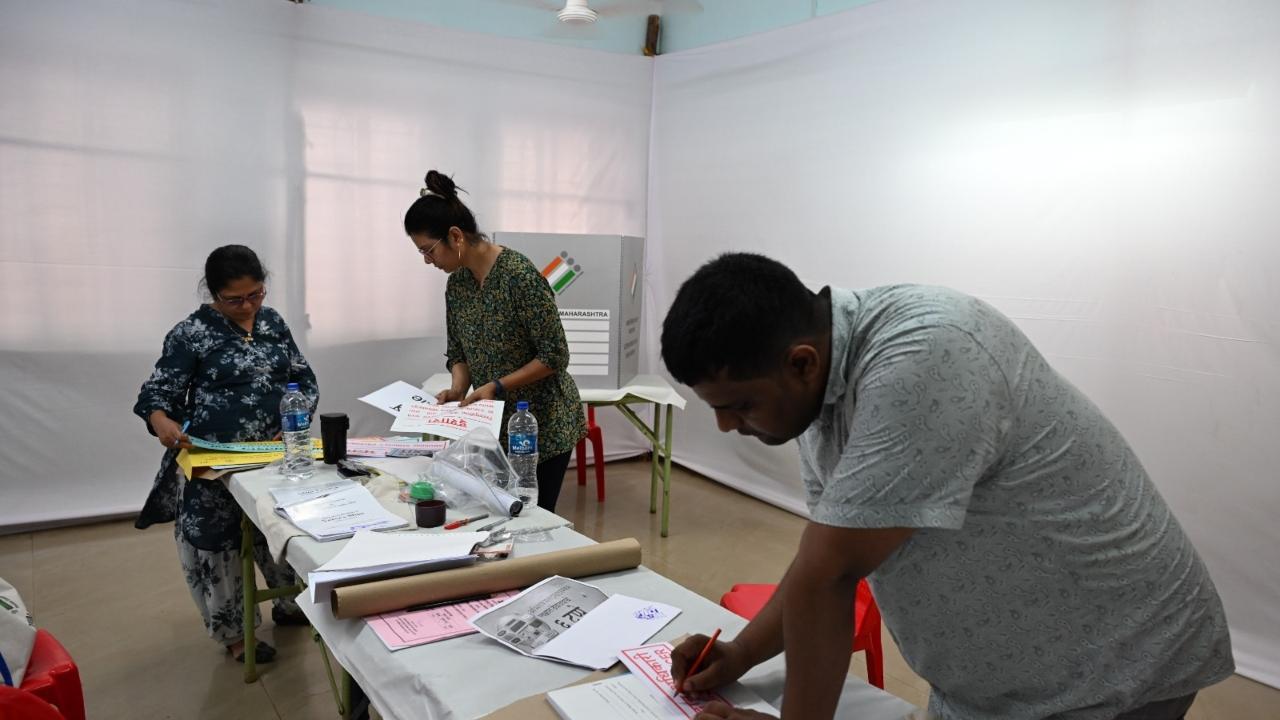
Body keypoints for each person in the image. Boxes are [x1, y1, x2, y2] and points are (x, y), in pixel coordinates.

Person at [661, 253, 1233, 720]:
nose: (727, 426)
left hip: (1108, 667)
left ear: (802, 363)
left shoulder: (925, 355)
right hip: (998, 683)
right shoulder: (818, 396)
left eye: (739, 406)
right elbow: (826, 557)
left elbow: (829, 575)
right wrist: (739, 654)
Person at [133, 245, 318, 664]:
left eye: (256, 294)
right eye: (234, 299)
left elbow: (302, 378)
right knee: (218, 545)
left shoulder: (272, 322)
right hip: (212, 461)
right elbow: (157, 394)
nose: (247, 305)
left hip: (274, 455)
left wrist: (296, 415)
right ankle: (235, 634)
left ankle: (290, 605)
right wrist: (161, 421)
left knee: (279, 531)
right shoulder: (191, 333)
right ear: (213, 294)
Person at [403, 170, 587, 511]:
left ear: (455, 236)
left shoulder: (519, 276)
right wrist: (459, 388)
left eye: (429, 251)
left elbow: (554, 355)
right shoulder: (457, 284)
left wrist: (497, 387)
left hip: (541, 427)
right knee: (497, 515)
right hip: (491, 429)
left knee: (534, 520)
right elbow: (459, 350)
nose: (428, 261)